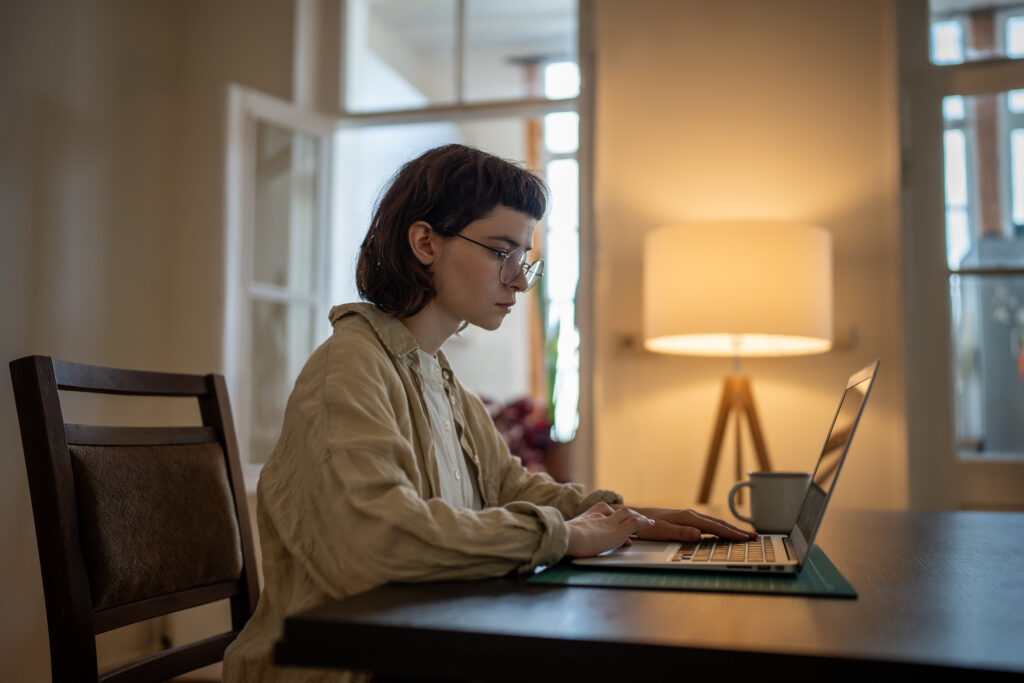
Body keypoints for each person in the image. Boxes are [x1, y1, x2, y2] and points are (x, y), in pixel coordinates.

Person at [222, 144, 755, 682]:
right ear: (426, 242)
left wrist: (630, 516)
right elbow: (377, 541)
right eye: (502, 252)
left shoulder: (438, 377)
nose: (520, 281)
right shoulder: (350, 368)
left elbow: (512, 489)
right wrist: (566, 535)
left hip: (416, 649)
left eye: (524, 259)